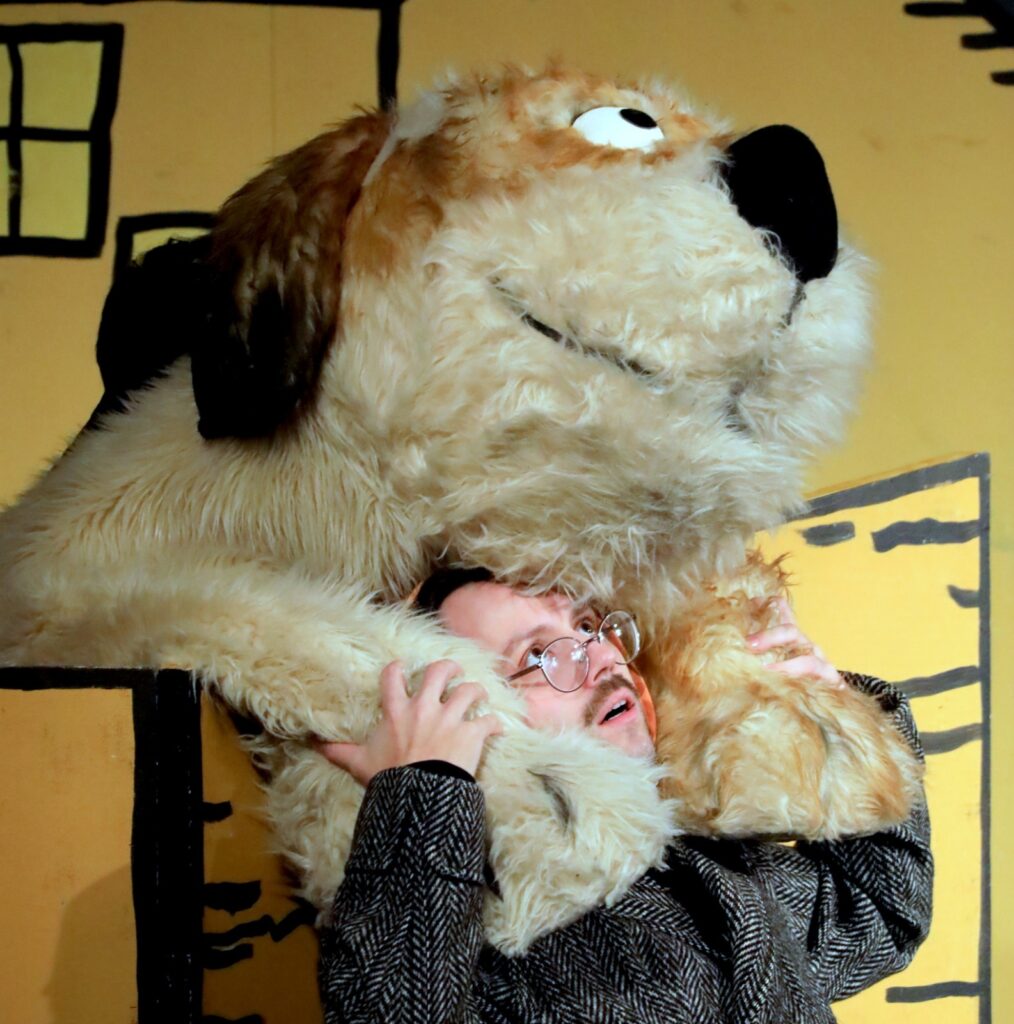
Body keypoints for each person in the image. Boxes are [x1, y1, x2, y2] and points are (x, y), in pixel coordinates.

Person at [315, 568, 932, 1024]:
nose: (598, 657)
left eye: (586, 626)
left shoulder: (704, 869)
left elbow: (880, 913)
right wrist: (424, 789)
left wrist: (839, 714)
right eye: (538, 654)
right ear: (467, 717)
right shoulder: (478, 936)